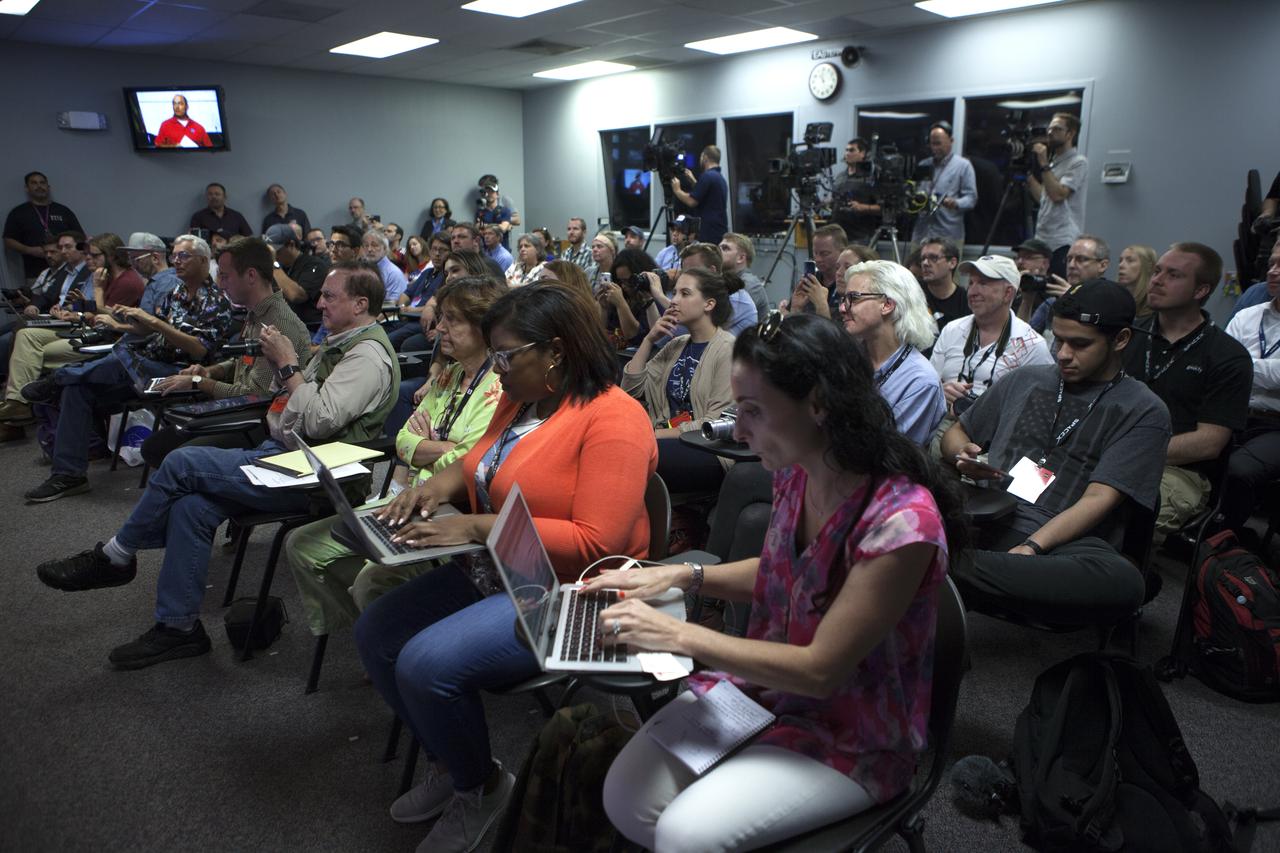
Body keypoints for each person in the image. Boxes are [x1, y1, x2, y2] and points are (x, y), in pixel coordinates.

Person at [595, 312, 962, 851]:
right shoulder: (799, 469)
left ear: (818, 404)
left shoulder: (902, 521)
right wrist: (685, 575)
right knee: (625, 797)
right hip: (766, 694)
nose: (739, 431)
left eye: (752, 412)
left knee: (682, 834)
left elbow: (819, 671)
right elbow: (783, 569)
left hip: (852, 735)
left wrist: (676, 635)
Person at [353, 282, 657, 853]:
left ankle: (478, 785)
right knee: (376, 632)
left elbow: (598, 544)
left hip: (577, 591)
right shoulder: (522, 400)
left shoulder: (615, 418)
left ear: (556, 351)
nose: (496, 370)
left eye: (506, 356)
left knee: (424, 663)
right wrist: (430, 490)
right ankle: (455, 762)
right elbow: (473, 464)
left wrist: (473, 526)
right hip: (504, 567)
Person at [35, 260, 400, 669]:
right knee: (192, 508)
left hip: (321, 476)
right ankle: (178, 630)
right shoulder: (339, 342)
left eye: (329, 296)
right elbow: (291, 413)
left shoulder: (367, 355)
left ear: (361, 303)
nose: (319, 302)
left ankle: (117, 556)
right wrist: (289, 388)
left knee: (181, 462)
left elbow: (315, 418)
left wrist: (288, 365)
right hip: (287, 455)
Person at [286, 276, 505, 635]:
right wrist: (437, 448)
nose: (439, 328)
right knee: (302, 545)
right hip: (409, 502)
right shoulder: (448, 376)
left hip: (451, 514)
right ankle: (372, 634)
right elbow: (402, 439)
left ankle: (382, 633)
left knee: (372, 581)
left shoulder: (499, 386)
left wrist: (430, 449)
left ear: (483, 327)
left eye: (452, 319)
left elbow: (471, 464)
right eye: (441, 317)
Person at [943, 280, 1170, 624]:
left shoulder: (1143, 410)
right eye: (1058, 339)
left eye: (1080, 344)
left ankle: (941, 567)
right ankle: (952, 569)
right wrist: (963, 454)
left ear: (1120, 340)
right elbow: (957, 431)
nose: (1063, 353)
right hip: (986, 513)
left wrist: (1032, 548)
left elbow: (1099, 500)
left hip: (1062, 541)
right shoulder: (1026, 379)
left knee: (1123, 582)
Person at [24, 234, 236, 502]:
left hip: (180, 374)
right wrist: (129, 321)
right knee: (78, 388)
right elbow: (151, 333)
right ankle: (69, 475)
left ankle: (57, 378)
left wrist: (154, 323)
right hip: (146, 364)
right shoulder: (177, 293)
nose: (176, 261)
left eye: (183, 256)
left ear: (204, 261)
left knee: (121, 356)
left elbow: (200, 350)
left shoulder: (217, 301)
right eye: (174, 255)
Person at [138, 237, 313, 465]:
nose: (220, 284)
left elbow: (255, 396)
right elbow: (244, 361)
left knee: (171, 456)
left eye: (225, 276)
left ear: (251, 276)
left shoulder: (277, 323)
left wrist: (199, 382)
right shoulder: (257, 314)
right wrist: (211, 372)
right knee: (157, 445)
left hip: (260, 423)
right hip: (245, 413)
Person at [1122, 243, 1252, 542]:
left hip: (1179, 470)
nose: (1156, 280)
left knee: (1117, 516)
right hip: (1104, 451)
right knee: (1033, 488)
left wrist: (1127, 451)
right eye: (1156, 271)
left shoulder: (1227, 356)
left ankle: (1124, 581)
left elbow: (1208, 443)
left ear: (1200, 291)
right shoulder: (1128, 334)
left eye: (1173, 275)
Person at [624, 267, 735, 492]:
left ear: (709, 304)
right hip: (666, 437)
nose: (674, 301)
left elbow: (714, 422)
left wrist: (655, 435)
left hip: (709, 447)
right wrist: (648, 340)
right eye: (674, 293)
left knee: (634, 455)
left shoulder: (728, 349)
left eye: (685, 294)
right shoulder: (676, 345)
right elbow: (629, 393)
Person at [928, 255, 1053, 451]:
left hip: (998, 439)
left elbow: (1040, 412)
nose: (973, 291)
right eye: (971, 283)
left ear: (1008, 292)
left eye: (983, 283)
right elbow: (929, 385)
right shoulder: (952, 330)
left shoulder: (1032, 344)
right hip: (943, 425)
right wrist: (941, 391)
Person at [840, 260, 945, 445]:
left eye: (854, 298)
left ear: (887, 304)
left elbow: (888, 453)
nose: (842, 308)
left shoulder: (920, 382)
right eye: (843, 299)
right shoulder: (847, 358)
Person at [1221, 244, 1280, 538]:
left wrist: (1242, 366)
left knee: (1237, 470)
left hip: (1275, 425)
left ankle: (1225, 538)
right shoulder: (1248, 316)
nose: (1273, 271)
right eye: (1271, 263)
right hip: (1233, 413)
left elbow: (1234, 366)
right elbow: (1220, 364)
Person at [1028, 113, 1089, 275]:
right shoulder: (1054, 163)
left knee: (1056, 288)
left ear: (1070, 134)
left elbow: (1058, 195)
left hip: (1062, 240)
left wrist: (1043, 163)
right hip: (1043, 238)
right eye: (1049, 128)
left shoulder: (1078, 162)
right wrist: (1028, 174)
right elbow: (1044, 197)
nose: (1050, 132)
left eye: (1057, 128)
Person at [4, 171, 83, 282]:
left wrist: (65, 249)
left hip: (69, 270)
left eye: (42, 183)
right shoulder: (18, 213)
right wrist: (29, 250)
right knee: (39, 299)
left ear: (48, 187)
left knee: (69, 298)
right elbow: (8, 240)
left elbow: (80, 236)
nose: (39, 186)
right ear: (27, 188)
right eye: (34, 183)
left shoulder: (63, 211)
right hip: (36, 272)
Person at [911, 122, 977, 244]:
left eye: (938, 144)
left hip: (948, 235)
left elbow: (971, 198)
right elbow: (916, 191)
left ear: (951, 141)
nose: (934, 148)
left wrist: (956, 203)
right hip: (921, 233)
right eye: (932, 144)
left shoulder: (963, 166)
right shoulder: (924, 165)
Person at [1030, 234, 1110, 334]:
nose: (1071, 265)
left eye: (1081, 259)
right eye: (1068, 259)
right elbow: (1022, 342)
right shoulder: (1051, 303)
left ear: (1102, 265)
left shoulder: (1111, 302)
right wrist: (1027, 300)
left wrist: (1076, 299)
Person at [264, 223, 328, 326]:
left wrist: (273, 264)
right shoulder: (281, 266)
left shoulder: (314, 265)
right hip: (283, 324)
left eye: (277, 251)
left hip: (308, 327)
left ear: (291, 245)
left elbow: (296, 296)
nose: (275, 256)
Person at [597, 247, 660, 348]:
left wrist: (621, 304)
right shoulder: (621, 295)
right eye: (620, 281)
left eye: (628, 281)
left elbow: (633, 336)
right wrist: (604, 308)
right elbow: (602, 333)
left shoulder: (651, 298)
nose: (623, 286)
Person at [670, 145, 729, 245]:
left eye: (701, 157)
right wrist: (693, 181)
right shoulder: (719, 178)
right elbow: (706, 195)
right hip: (718, 229)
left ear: (705, 158)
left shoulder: (707, 176)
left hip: (708, 231)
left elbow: (692, 201)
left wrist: (677, 190)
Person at [788, 223, 847, 318]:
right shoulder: (809, 282)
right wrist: (794, 310)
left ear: (842, 252)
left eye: (824, 253)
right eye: (815, 253)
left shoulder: (849, 285)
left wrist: (821, 306)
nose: (818, 259)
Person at [831, 137, 881, 243]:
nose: (847, 153)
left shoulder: (871, 178)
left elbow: (883, 207)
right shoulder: (840, 177)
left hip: (860, 236)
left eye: (852, 150)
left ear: (862, 153)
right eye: (846, 150)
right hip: (838, 235)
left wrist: (863, 207)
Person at [918, 238, 971, 333]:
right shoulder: (913, 292)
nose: (925, 263)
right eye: (923, 259)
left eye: (933, 258)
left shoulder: (966, 301)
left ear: (952, 263)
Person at [720, 232, 769, 319]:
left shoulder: (750, 284)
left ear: (741, 258)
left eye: (725, 248)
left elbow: (728, 320)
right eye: (719, 247)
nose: (718, 251)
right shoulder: (721, 279)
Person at [360, 228, 408, 303]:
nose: (369, 249)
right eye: (366, 245)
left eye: (374, 245)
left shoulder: (393, 273)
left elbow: (391, 307)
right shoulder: (361, 269)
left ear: (385, 249)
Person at [1012, 238, 1054, 324]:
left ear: (1044, 263)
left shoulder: (1052, 291)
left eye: (1028, 257)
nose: (1020, 262)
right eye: (1018, 257)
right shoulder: (1011, 288)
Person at [1116, 243, 1156, 319]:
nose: (1121, 265)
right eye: (1120, 261)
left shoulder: (1154, 305)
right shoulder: (1114, 300)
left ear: (1148, 266)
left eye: (1130, 260)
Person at [475, 182, 513, 249]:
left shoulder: (505, 210)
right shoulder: (480, 212)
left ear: (497, 195)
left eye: (491, 192)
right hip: (486, 250)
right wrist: (498, 225)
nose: (488, 194)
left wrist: (485, 225)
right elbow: (479, 230)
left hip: (502, 249)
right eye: (486, 192)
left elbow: (503, 229)